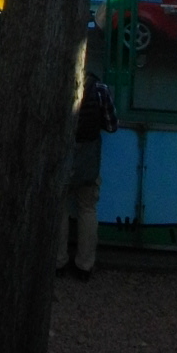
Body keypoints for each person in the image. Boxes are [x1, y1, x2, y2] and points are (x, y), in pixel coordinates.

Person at [57, 39, 116, 282]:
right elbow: (112, 126)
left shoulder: (57, 87)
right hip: (89, 158)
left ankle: (58, 261)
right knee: (87, 207)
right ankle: (84, 265)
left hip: (61, 157)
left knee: (58, 209)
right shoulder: (100, 89)